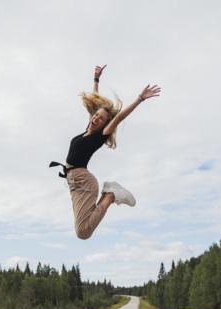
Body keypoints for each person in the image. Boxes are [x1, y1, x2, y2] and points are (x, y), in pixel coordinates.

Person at [50, 65, 161, 239]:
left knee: (83, 232)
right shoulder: (87, 129)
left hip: (83, 181)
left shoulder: (100, 135)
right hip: (73, 182)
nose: (96, 118)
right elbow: (95, 101)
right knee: (82, 230)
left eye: (100, 119)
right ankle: (109, 194)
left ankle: (110, 195)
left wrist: (140, 98)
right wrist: (96, 78)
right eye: (96, 116)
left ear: (104, 125)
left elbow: (119, 117)